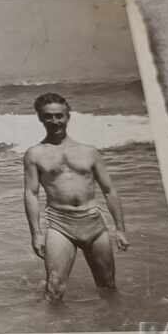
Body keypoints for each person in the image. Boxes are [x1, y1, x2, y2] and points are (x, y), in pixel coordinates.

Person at [22, 93, 129, 301]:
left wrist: (120, 229)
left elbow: (109, 190)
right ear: (40, 118)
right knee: (54, 290)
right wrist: (36, 234)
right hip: (60, 224)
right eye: (48, 116)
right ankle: (55, 322)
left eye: (59, 116)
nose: (55, 121)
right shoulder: (34, 154)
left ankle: (112, 320)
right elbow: (31, 194)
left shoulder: (90, 152)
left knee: (108, 286)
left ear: (68, 116)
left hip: (94, 223)